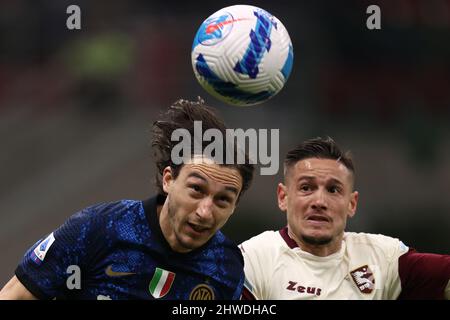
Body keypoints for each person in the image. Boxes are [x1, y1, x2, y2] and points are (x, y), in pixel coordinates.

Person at [0, 98, 254, 300]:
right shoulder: (98, 229)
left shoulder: (226, 267)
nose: (205, 212)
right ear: (168, 180)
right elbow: (15, 296)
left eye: (222, 200)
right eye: (196, 190)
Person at [240, 137, 450, 300]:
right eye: (306, 188)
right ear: (283, 197)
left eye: (333, 190)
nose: (319, 201)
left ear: (352, 203)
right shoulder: (253, 259)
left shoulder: (384, 259)